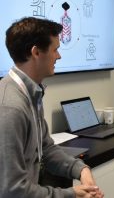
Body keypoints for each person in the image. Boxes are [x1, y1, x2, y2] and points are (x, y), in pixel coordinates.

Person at [0, 17, 104, 198]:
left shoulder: (31, 93)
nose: (59, 56)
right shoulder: (11, 108)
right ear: (36, 53)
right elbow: (13, 190)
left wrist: (81, 170)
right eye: (55, 49)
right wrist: (71, 194)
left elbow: (46, 149)